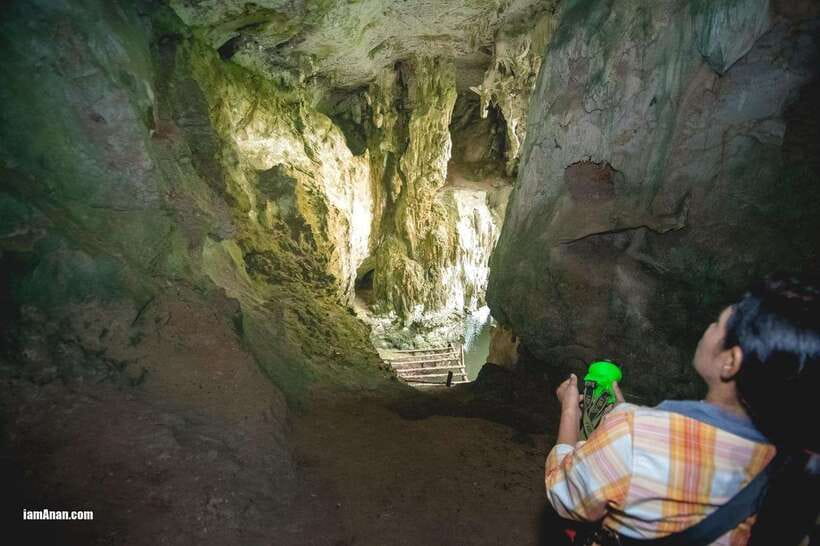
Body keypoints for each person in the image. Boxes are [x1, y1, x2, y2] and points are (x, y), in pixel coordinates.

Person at [544, 272, 820, 545]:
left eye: (717, 323)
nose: (709, 327)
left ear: (730, 362)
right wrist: (627, 414)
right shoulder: (796, 468)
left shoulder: (633, 435)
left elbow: (564, 496)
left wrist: (570, 412)